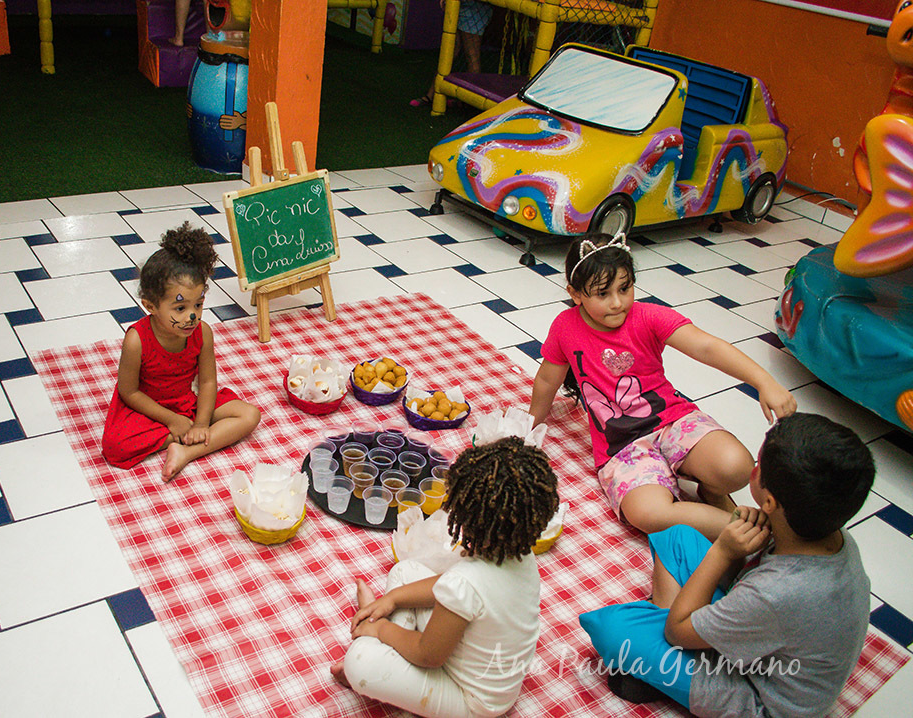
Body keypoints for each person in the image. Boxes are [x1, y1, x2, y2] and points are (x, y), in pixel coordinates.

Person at [578, 412, 875, 717]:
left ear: (770, 502)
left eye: (759, 466)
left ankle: (666, 668)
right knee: (675, 535)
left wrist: (721, 551)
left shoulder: (776, 591)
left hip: (759, 699)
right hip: (766, 636)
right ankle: (683, 645)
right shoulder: (826, 530)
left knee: (612, 629)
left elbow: (675, 632)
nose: (753, 470)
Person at [529, 232, 797, 541]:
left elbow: (706, 347)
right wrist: (529, 425)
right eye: (602, 294)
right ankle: (746, 530)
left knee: (736, 467)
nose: (617, 303)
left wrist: (764, 381)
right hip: (621, 447)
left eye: (625, 288)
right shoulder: (565, 326)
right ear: (575, 295)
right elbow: (549, 378)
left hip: (673, 421)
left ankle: (710, 492)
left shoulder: (649, 316)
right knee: (648, 514)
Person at [330, 437, 558, 717]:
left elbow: (429, 655)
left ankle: (371, 638)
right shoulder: (521, 556)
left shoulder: (467, 581)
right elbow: (448, 587)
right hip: (479, 665)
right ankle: (379, 626)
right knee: (404, 573)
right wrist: (392, 599)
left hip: (472, 701)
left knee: (360, 663)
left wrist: (380, 630)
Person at [101, 222, 260, 481]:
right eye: (180, 308)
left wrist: (200, 422)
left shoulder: (203, 332)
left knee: (250, 415)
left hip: (189, 402)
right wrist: (172, 420)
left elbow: (208, 382)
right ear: (151, 306)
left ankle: (185, 452)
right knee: (115, 446)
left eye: (198, 304)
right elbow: (128, 391)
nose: (192, 316)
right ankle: (186, 437)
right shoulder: (136, 340)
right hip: (149, 407)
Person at [411, 0, 492, 107]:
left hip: (475, 6)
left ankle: (469, 102)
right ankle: (434, 95)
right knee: (450, 50)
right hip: (461, 4)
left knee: (471, 55)